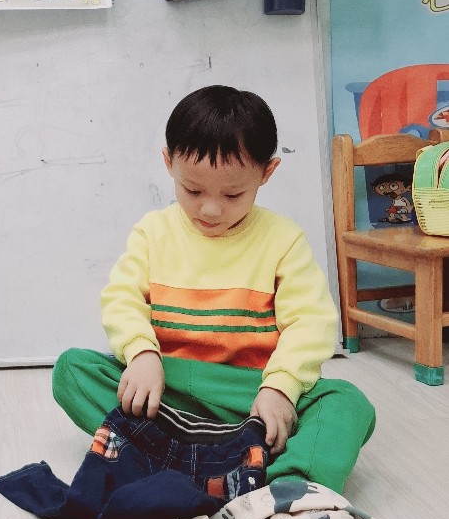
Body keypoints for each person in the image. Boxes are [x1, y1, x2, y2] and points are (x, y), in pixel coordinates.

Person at [52, 86, 375, 494]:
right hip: (167, 386)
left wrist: (280, 388)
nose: (210, 209)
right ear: (168, 163)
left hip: (250, 393)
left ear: (267, 173)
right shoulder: (153, 232)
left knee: (346, 402)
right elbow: (122, 298)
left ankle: (287, 487)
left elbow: (311, 323)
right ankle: (212, 459)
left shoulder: (283, 239)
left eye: (233, 194)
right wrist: (141, 353)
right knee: (72, 371)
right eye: (193, 190)